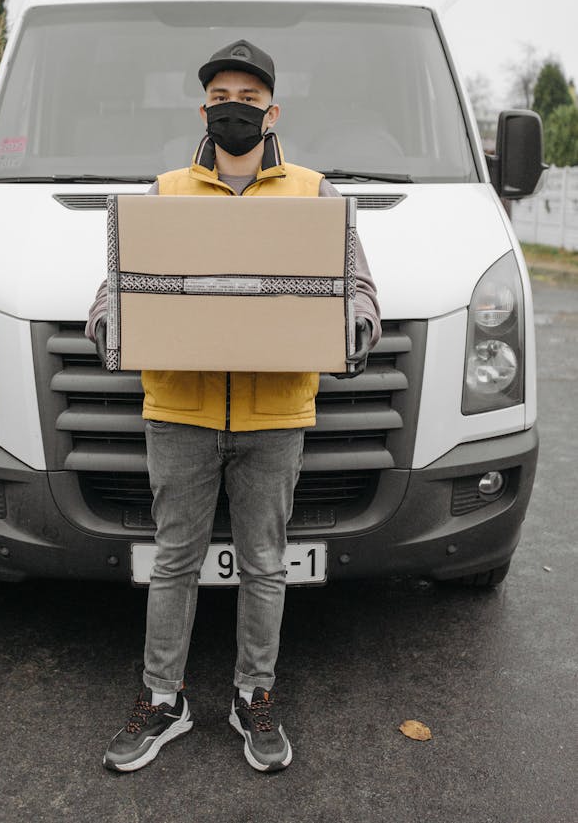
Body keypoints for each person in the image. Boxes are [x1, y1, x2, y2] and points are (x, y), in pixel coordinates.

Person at [85, 39, 381, 773]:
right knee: (173, 562)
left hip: (274, 417)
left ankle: (254, 694)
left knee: (266, 565)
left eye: (249, 100)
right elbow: (113, 291)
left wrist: (354, 326)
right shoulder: (162, 193)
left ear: (272, 112)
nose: (234, 111)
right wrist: (109, 324)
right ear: (203, 111)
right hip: (178, 413)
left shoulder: (315, 194)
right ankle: (163, 699)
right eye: (222, 99)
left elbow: (361, 291)